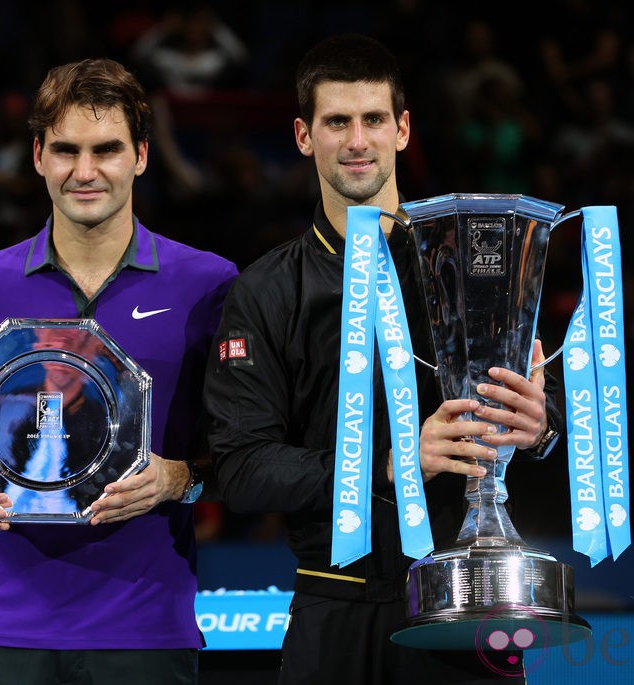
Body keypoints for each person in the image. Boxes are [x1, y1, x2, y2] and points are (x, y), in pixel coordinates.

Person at [203, 34, 563, 684]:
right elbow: (242, 467)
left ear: (402, 129)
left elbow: (532, 405)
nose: (357, 140)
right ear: (303, 135)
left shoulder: (472, 264)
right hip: (330, 604)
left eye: (373, 119)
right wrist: (390, 466)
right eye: (337, 121)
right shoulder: (265, 290)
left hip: (464, 599)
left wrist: (539, 426)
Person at [0, 57, 238, 684]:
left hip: (147, 629)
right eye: (65, 150)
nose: (84, 172)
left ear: (142, 155)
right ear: (37, 156)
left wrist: (179, 478)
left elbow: (246, 453)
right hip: (6, 630)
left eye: (107, 149)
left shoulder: (210, 286)